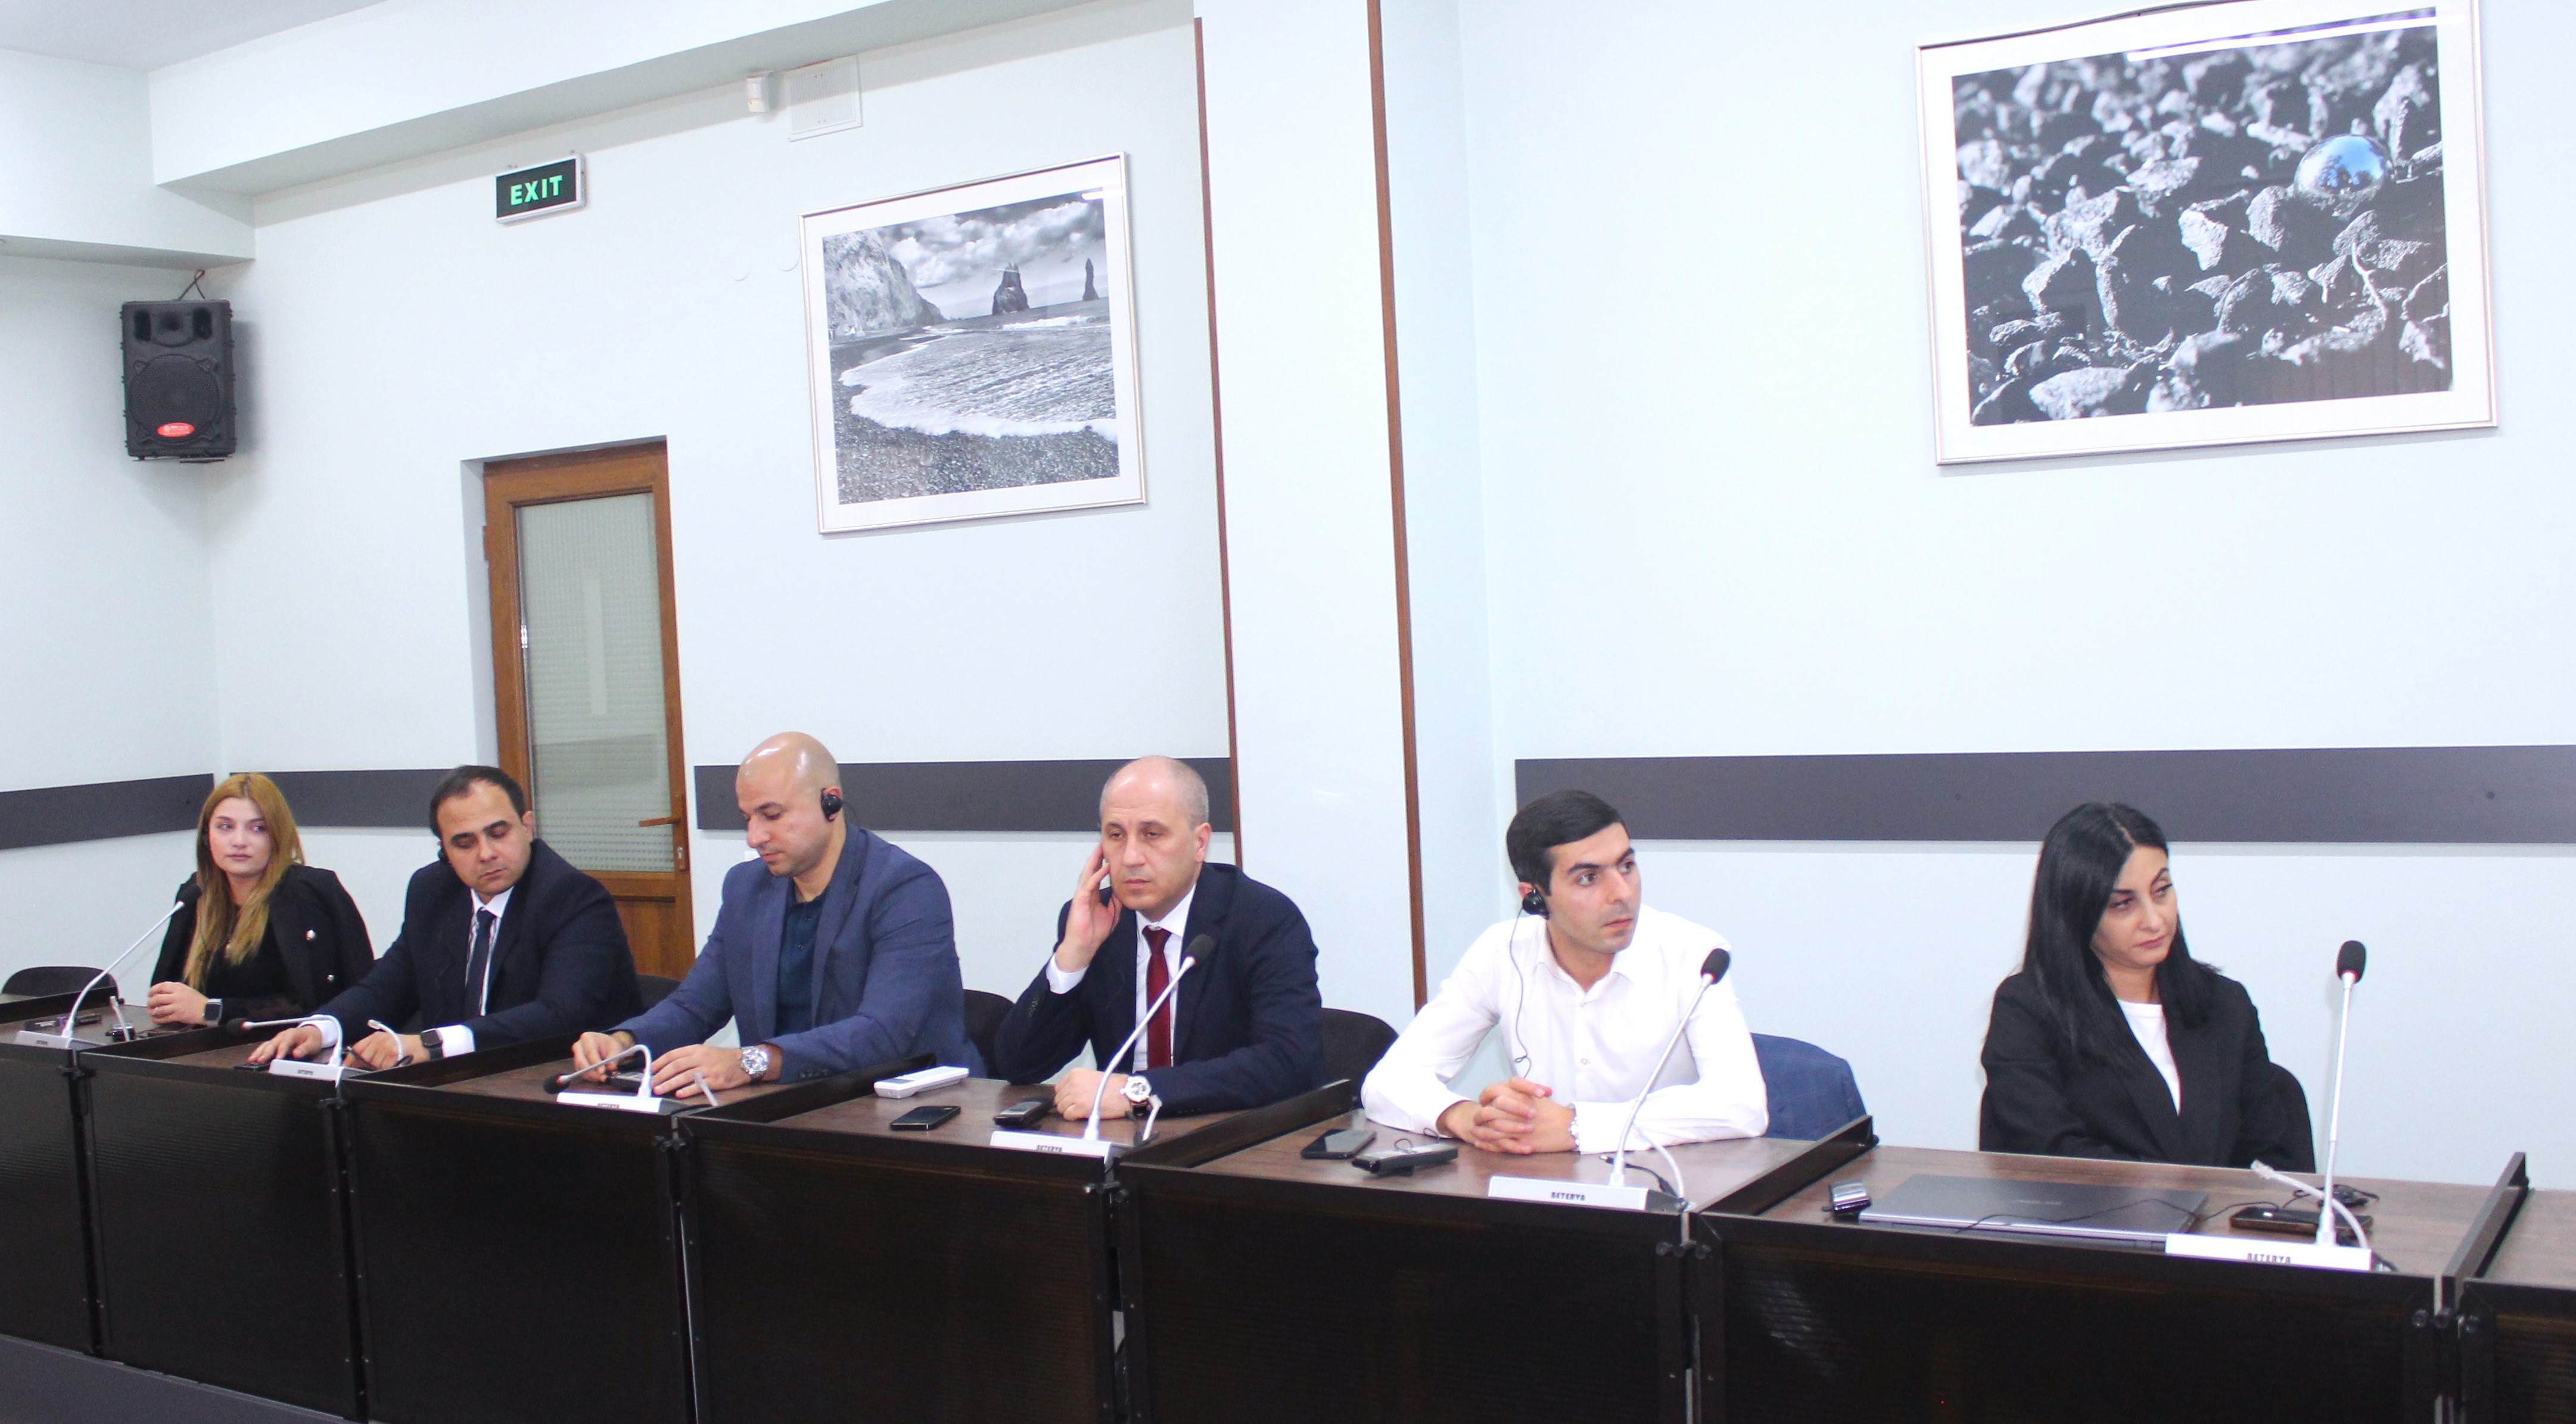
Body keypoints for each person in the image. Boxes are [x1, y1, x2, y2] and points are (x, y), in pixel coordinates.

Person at [569, 733, 978, 1096]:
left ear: (830, 803)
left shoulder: (905, 888)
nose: (755, 837)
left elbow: (883, 1032)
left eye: (772, 815)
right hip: (790, 1103)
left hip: (904, 1108)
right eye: (748, 818)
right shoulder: (746, 888)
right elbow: (696, 1005)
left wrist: (750, 1062)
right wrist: (623, 1041)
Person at [1362, 790, 1767, 1154]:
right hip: (1543, 1186)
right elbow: (1387, 1083)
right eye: (1589, 878)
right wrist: (1465, 1117)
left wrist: (1576, 1127)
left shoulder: (1694, 955)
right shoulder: (1501, 953)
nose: (1622, 893)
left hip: (1667, 1186)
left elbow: (1742, 1106)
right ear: (1534, 897)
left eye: (1626, 865)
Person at [1978, 802, 2313, 1169]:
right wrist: (2168, 1192)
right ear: (2077, 913)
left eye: (2161, 891)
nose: (2154, 921)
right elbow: (2049, 1153)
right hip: (2091, 1207)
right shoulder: (2028, 1010)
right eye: (2123, 904)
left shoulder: (2224, 1004)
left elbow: (2272, 1155)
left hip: (2219, 1208)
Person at [990, 756, 1323, 1119]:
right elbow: (1019, 1065)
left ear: (1200, 843)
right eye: (1116, 835)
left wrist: (1139, 1091)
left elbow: (1288, 1060)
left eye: (1152, 834)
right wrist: (1073, 956)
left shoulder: (1262, 919)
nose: (1131, 857)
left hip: (1228, 1133)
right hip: (1120, 1140)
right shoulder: (1097, 919)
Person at [250, 765, 642, 1069]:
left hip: (553, 1086)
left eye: (498, 833)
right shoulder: (432, 891)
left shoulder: (572, 897)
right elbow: (388, 985)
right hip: (458, 1086)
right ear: (445, 851)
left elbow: (560, 1015)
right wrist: (320, 1028)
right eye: (465, 843)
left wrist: (432, 1044)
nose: (486, 853)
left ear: (526, 827)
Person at [145, 774, 374, 1027]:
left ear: (278, 836)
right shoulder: (196, 892)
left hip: (290, 1046)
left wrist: (214, 1011)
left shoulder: (308, 893)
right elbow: (165, 993)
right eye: (225, 827)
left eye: (258, 828)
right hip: (205, 1046)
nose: (239, 842)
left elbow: (314, 1003)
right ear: (206, 837)